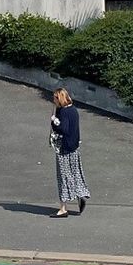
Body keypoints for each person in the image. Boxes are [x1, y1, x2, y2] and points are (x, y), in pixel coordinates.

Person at [50, 87, 88, 216]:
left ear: (59, 98)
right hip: (74, 146)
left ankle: (63, 208)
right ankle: (80, 195)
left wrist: (55, 122)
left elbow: (63, 129)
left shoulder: (64, 112)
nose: (53, 100)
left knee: (63, 176)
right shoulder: (73, 110)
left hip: (64, 148)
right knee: (75, 172)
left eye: (55, 98)